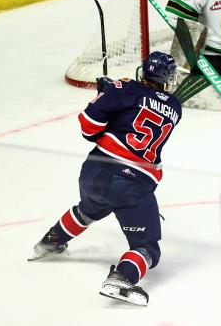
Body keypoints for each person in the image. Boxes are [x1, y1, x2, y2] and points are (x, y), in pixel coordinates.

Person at [28, 51, 181, 307]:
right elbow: (139, 113)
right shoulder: (175, 107)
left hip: (95, 171)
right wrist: (113, 96)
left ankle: (51, 241)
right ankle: (122, 278)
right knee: (148, 248)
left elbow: (89, 127)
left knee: (88, 209)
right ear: (166, 78)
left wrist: (105, 96)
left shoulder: (124, 88)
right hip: (132, 184)